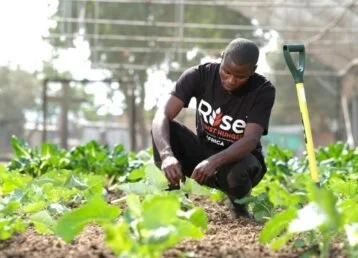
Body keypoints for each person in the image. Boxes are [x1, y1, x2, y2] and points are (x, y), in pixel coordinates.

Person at [151, 38, 275, 219]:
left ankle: (240, 210)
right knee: (165, 129)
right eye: (226, 72)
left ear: (253, 71)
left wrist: (214, 161)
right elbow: (162, 115)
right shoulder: (198, 76)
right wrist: (167, 156)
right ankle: (175, 202)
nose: (231, 80)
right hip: (203, 155)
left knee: (237, 173)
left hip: (239, 161)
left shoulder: (263, 90)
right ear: (222, 58)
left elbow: (251, 139)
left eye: (240, 77)